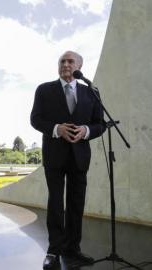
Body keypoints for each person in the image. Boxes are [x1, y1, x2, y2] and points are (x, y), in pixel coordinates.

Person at [30, 51, 105, 269]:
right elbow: (35, 119)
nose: (65, 64)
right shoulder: (44, 90)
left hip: (80, 157)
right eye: (62, 61)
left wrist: (86, 130)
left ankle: (73, 248)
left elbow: (100, 124)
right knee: (55, 203)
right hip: (54, 156)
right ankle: (54, 250)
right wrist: (56, 129)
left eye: (70, 61)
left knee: (76, 203)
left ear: (80, 66)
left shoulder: (92, 92)